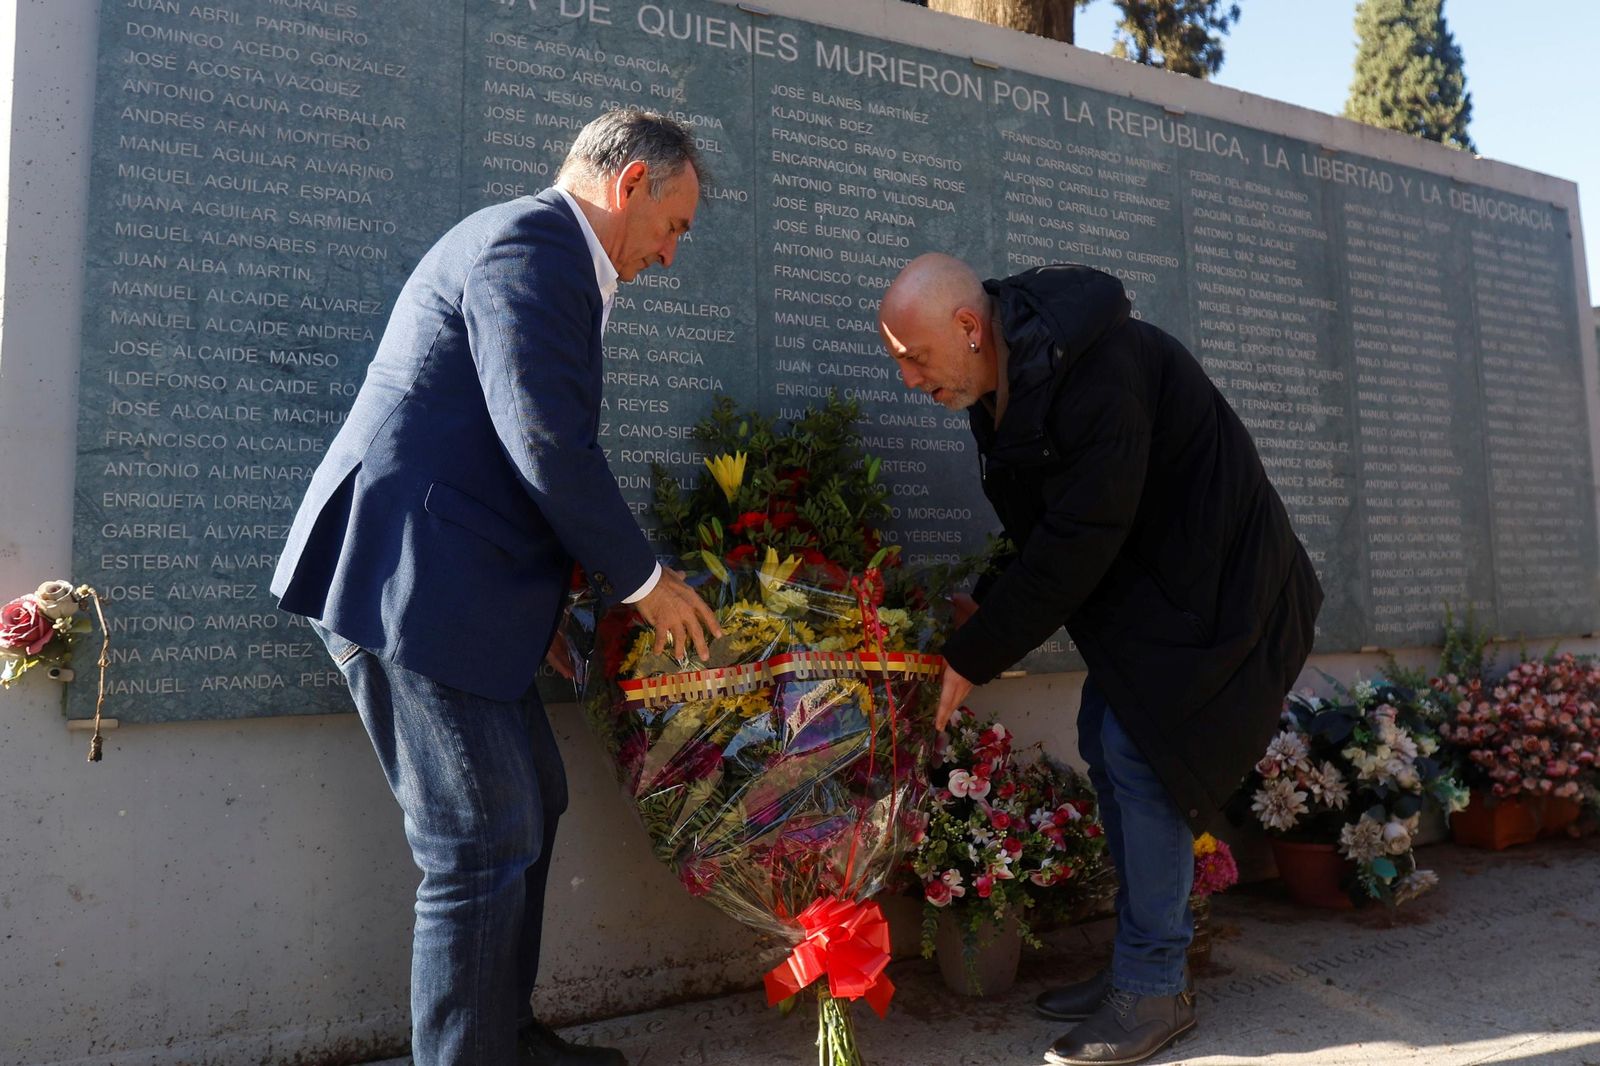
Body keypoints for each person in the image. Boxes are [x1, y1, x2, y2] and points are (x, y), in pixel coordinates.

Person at [271, 109, 722, 1066]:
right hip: (406, 580)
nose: (673, 255)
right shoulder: (531, 243)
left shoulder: (546, 254)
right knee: (479, 836)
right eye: (676, 224)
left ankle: (502, 1037)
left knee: (532, 800)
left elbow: (501, 446)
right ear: (633, 182)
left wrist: (550, 605)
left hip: (455, 588)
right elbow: (546, 442)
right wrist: (647, 583)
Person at [877, 254, 1322, 1066]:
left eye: (913, 356)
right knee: (1108, 749)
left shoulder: (1101, 371)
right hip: (1161, 596)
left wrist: (970, 657)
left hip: (1222, 591)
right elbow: (1045, 526)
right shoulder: (1004, 388)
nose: (909, 379)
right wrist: (989, 597)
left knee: (1138, 752)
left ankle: (1151, 984)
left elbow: (1082, 537)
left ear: (971, 329)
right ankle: (1143, 963)